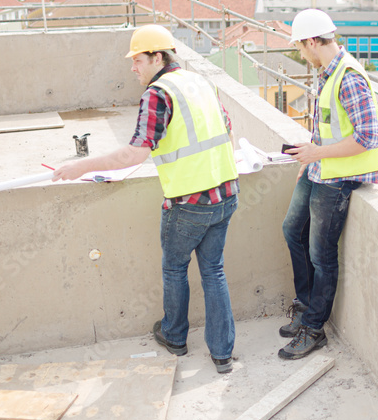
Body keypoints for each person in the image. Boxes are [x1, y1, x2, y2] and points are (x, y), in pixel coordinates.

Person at [52, 24, 240, 373]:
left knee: (174, 267)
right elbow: (226, 128)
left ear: (157, 57)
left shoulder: (158, 93)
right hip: (226, 192)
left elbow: (134, 155)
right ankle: (222, 353)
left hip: (189, 203)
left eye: (137, 60)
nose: (133, 67)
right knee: (213, 271)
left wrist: (81, 167)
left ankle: (175, 336)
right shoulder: (199, 82)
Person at [278, 9, 378, 360]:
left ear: (313, 41)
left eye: (300, 47)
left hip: (339, 178)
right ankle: (306, 303)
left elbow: (368, 137)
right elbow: (327, 122)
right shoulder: (328, 73)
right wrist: (309, 156)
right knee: (292, 230)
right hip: (320, 169)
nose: (300, 54)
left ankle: (314, 327)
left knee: (321, 255)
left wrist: (318, 154)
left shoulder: (349, 78)